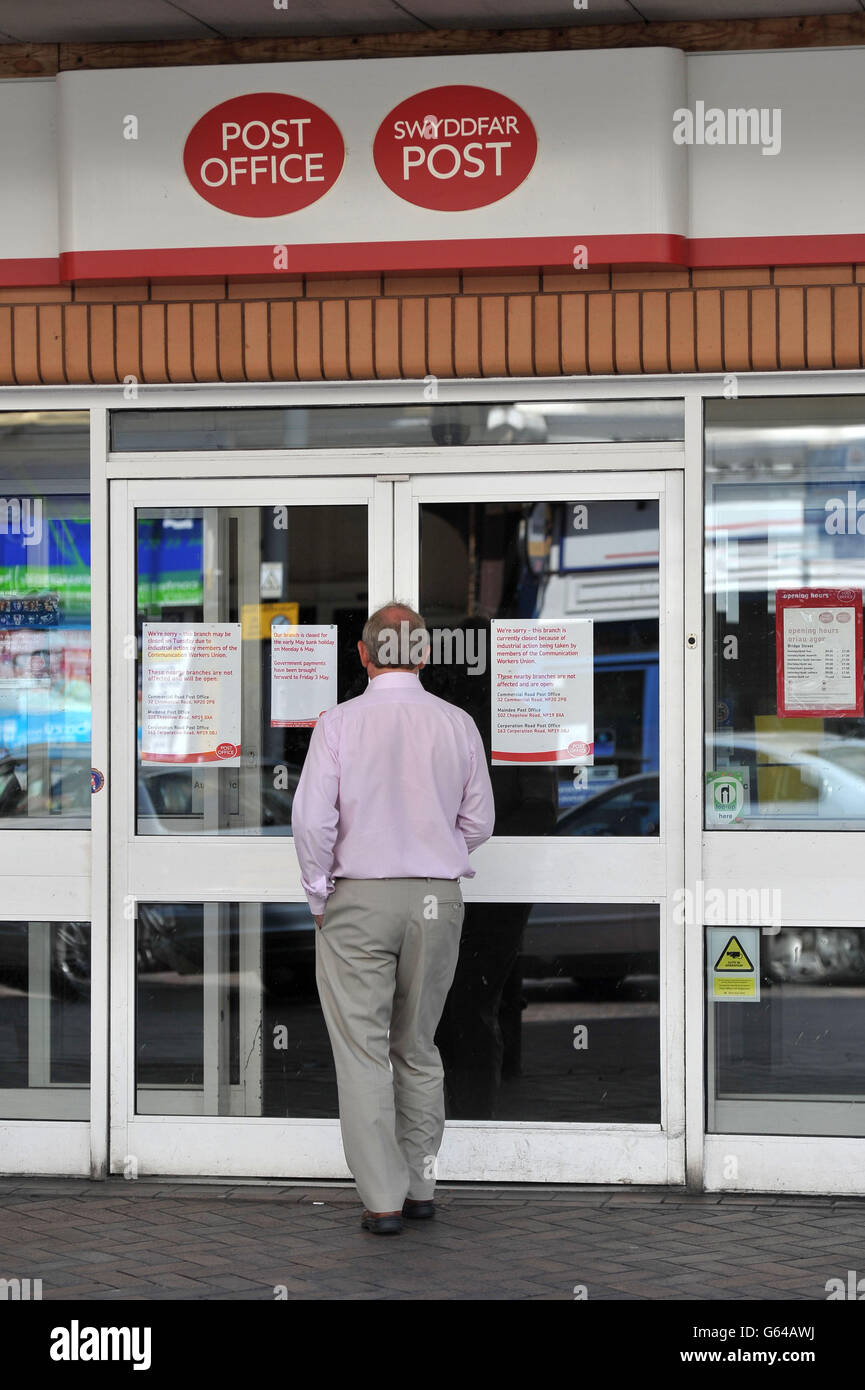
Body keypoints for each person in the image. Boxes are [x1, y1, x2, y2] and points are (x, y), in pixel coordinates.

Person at [291, 601, 495, 1235]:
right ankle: (421, 1186)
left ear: (362, 654)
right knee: (418, 1045)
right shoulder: (457, 722)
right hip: (436, 899)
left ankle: (382, 1201)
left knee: (362, 1052)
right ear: (425, 653)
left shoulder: (338, 724)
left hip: (359, 898)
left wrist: (318, 893)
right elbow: (480, 822)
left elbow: (312, 822)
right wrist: (436, 854)